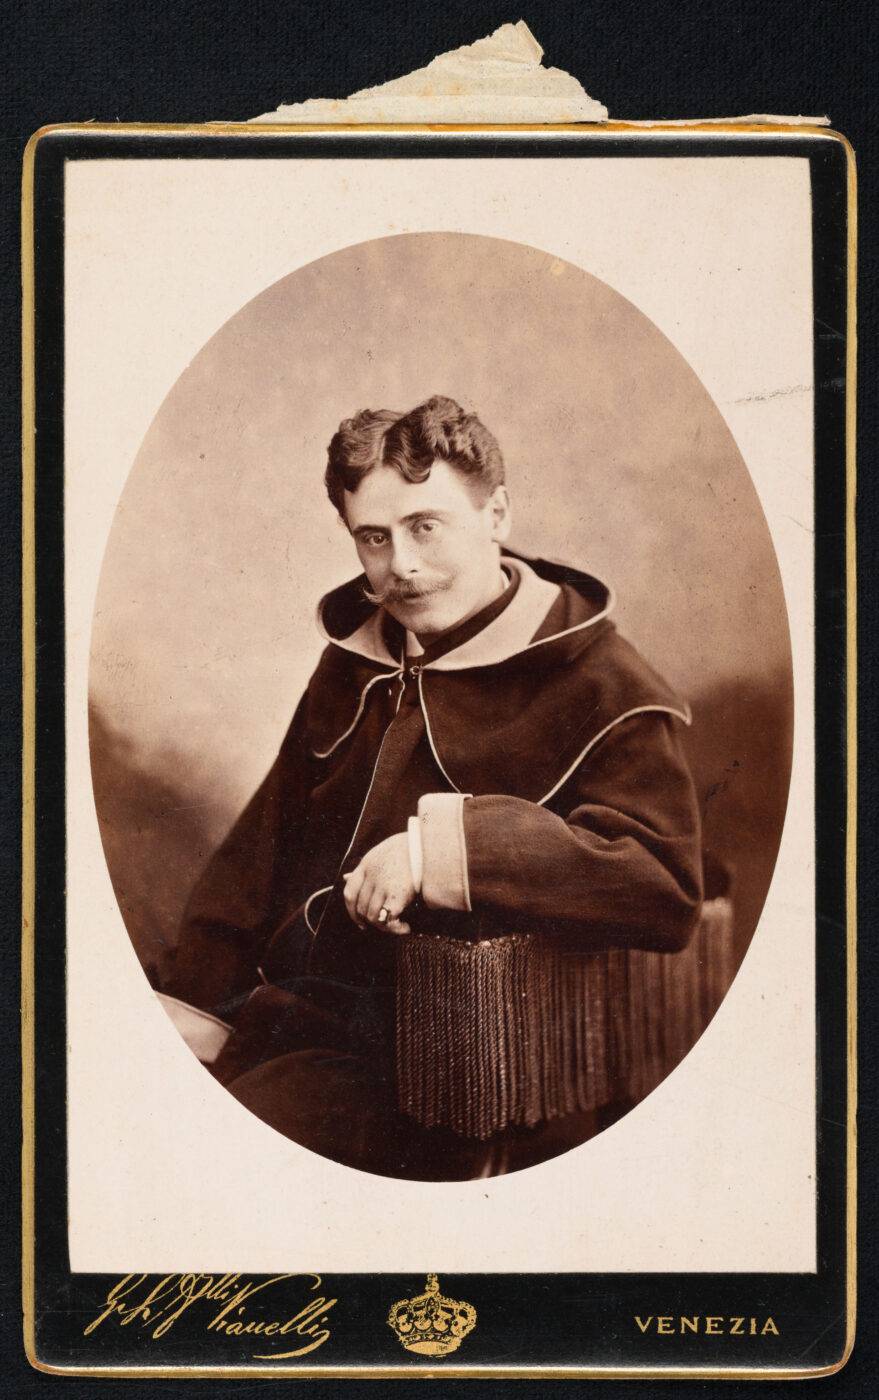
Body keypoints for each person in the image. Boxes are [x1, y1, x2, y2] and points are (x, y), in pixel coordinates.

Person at [159, 395, 704, 1179]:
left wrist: (436, 851)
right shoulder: (358, 657)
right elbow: (257, 853)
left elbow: (663, 886)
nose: (401, 566)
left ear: (496, 514)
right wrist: (191, 1014)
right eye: (373, 538)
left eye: (425, 526)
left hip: (452, 1074)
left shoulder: (603, 682)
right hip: (290, 1020)